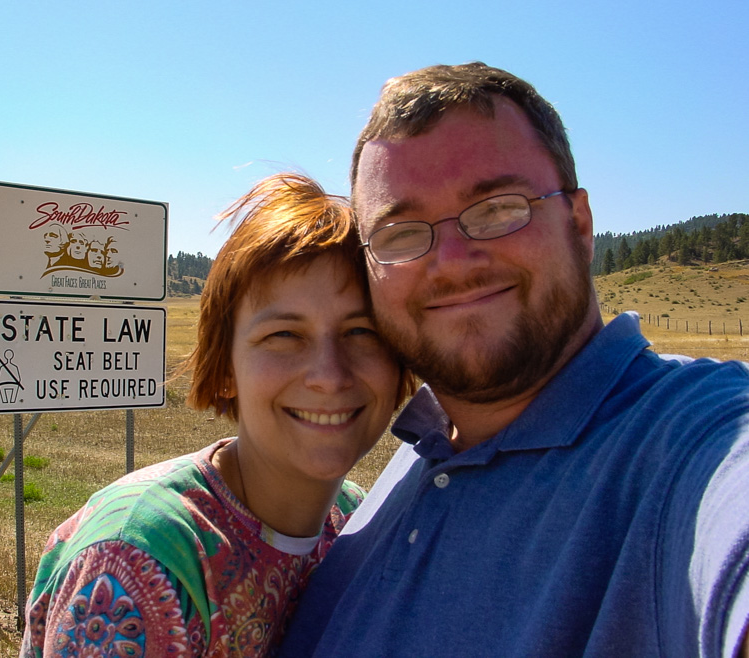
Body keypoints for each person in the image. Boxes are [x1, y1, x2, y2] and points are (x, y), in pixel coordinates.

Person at [278, 63, 749, 658]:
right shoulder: (414, 460)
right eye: (400, 233)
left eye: (499, 208)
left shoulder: (689, 440)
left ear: (579, 226)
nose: (451, 260)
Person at [19, 173, 413, 657]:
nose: (329, 375)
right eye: (284, 335)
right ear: (225, 368)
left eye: (361, 332)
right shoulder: (141, 556)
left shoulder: (355, 520)